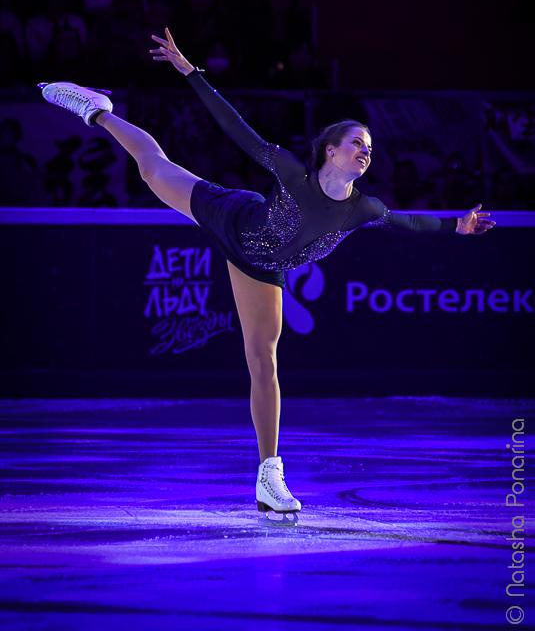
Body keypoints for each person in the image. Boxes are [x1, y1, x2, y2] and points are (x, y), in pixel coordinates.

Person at [37, 28, 496, 518]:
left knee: (263, 359)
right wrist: (190, 71)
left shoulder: (363, 208)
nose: (366, 151)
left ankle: (268, 477)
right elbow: (235, 129)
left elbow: (409, 223)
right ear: (330, 150)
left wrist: (458, 225)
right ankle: (98, 110)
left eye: (370, 148)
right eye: (357, 143)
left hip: (263, 265)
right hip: (232, 217)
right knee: (153, 169)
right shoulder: (294, 173)